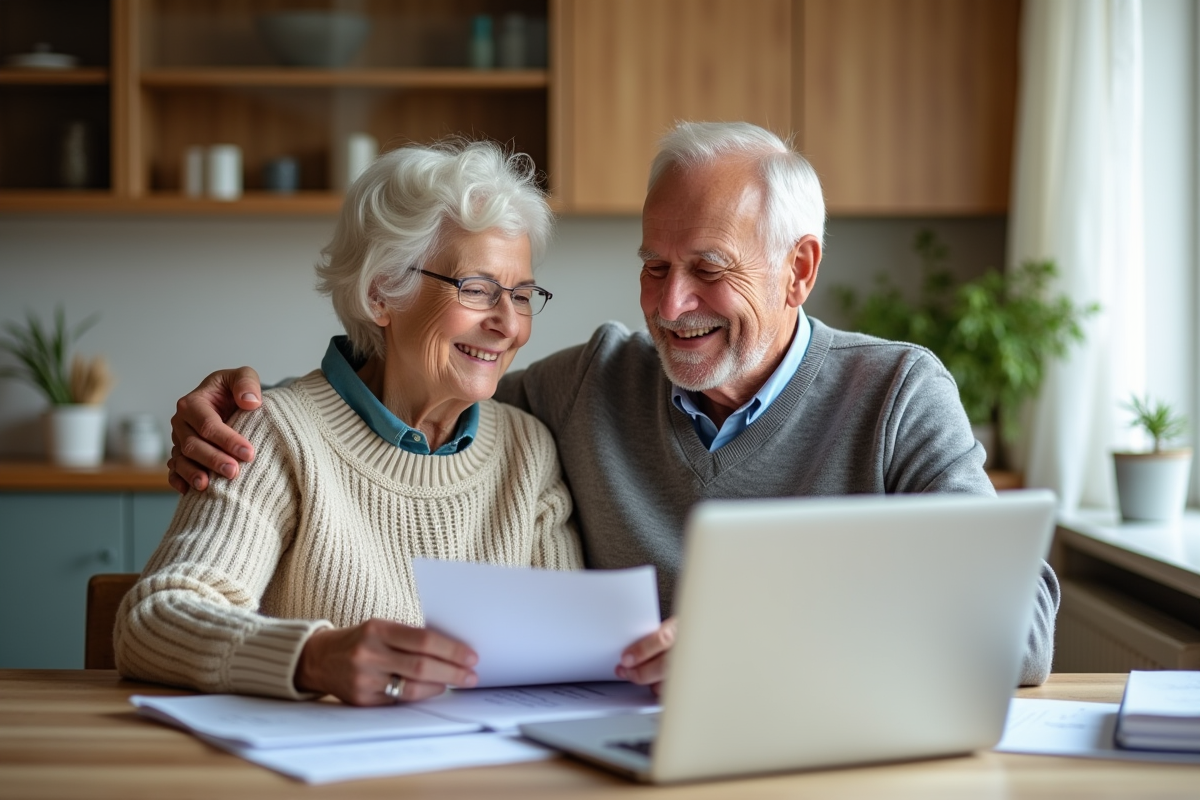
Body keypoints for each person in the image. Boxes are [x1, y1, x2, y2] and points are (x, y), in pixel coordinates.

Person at [166, 122, 1061, 687]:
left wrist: (758, 645)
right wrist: (244, 404)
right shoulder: (586, 387)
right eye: (654, 266)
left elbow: (1016, 634)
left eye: (709, 270)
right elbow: (413, 413)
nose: (670, 309)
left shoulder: (899, 395)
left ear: (799, 270)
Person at [115, 140, 583, 706]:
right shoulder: (277, 435)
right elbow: (153, 620)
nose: (508, 324)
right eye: (477, 289)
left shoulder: (526, 450)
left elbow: (571, 652)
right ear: (380, 292)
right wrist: (312, 659)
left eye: (523, 294)